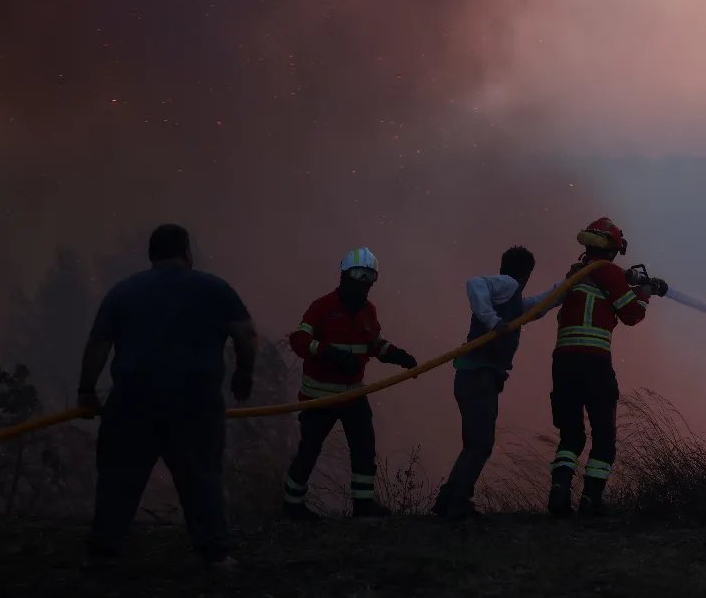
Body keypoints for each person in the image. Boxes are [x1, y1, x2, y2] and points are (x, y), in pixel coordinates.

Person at [77, 223, 258, 570]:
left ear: (151, 254)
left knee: (118, 478)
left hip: (132, 402)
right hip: (195, 403)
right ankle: (214, 554)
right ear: (187, 252)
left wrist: (86, 391)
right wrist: (244, 373)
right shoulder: (214, 289)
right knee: (202, 477)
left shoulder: (123, 292)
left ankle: (102, 552)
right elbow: (246, 334)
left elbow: (99, 344)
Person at [281, 247, 419, 521]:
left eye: (369, 277)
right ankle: (292, 506)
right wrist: (328, 352)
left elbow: (373, 344)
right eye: (358, 274)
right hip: (320, 397)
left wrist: (397, 355)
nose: (363, 282)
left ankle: (363, 506)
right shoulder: (323, 306)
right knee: (309, 450)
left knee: (364, 448)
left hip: (354, 394)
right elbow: (298, 340)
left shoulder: (368, 310)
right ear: (344, 275)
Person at [431, 246, 564, 520]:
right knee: (480, 442)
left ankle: (449, 499)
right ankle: (455, 501)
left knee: (476, 442)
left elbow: (539, 306)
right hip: (478, 375)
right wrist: (492, 322)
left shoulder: (511, 299)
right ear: (526, 274)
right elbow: (475, 283)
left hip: (478, 376)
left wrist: (568, 283)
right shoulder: (507, 285)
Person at [547, 217, 667, 517]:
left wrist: (629, 279)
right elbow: (631, 315)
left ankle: (559, 495)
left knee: (571, 436)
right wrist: (646, 293)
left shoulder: (575, 274)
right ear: (613, 250)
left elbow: (604, 281)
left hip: (563, 364)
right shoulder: (609, 273)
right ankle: (591, 502)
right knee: (604, 435)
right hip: (594, 364)